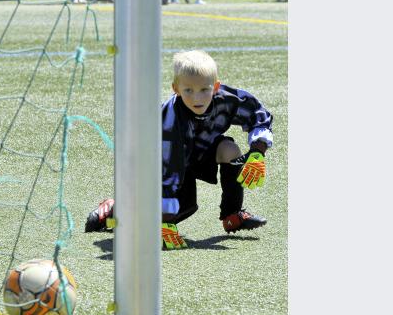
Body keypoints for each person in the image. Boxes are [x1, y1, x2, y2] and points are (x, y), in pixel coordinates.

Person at [85, 50, 273, 250]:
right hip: (157, 164)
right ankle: (117, 209)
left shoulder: (228, 99)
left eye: (204, 89)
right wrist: (164, 222)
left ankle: (232, 214)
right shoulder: (168, 120)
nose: (197, 97)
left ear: (216, 87)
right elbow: (167, 171)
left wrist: (257, 153)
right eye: (188, 90)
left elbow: (258, 115)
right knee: (185, 208)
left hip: (198, 152)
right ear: (176, 89)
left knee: (230, 150)